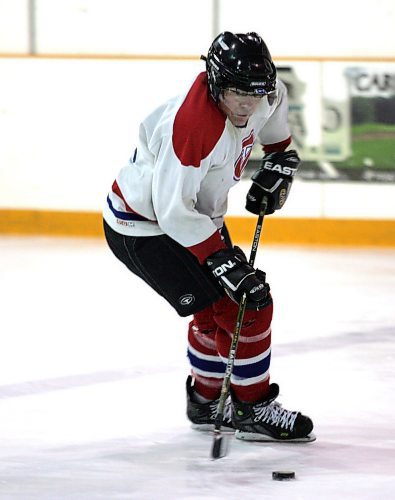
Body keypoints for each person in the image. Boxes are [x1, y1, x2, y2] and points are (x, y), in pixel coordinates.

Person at [103, 31, 315, 443]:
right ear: (216, 82)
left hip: (197, 215)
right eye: (237, 93)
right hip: (147, 227)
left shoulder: (268, 94)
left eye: (255, 93)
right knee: (247, 304)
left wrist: (280, 161)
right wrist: (219, 258)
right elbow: (173, 211)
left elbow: (275, 135)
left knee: (213, 310)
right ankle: (253, 408)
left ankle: (206, 401)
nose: (247, 104)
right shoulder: (192, 127)